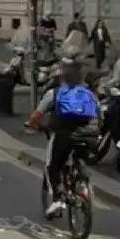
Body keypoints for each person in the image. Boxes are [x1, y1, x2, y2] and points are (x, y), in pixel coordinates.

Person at [25, 56, 101, 219]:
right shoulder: (89, 94)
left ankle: (58, 199)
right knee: (78, 157)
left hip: (64, 135)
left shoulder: (54, 93)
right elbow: (100, 116)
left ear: (61, 78)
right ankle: (82, 185)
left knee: (52, 166)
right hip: (89, 136)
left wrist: (31, 124)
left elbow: (37, 115)